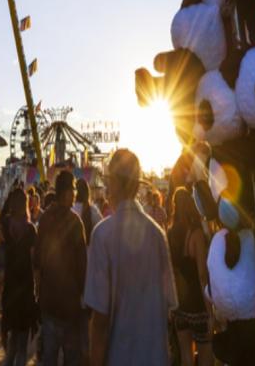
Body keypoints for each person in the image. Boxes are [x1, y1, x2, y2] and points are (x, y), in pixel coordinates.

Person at [85, 149, 177, 366]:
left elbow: (100, 320)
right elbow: (168, 307)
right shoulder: (158, 235)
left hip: (120, 357)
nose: (107, 189)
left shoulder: (103, 235)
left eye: (109, 181)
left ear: (116, 183)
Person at [35, 170, 87, 366]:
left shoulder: (45, 219)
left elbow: (37, 262)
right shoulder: (75, 222)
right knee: (72, 359)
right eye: (73, 190)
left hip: (49, 304)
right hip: (69, 307)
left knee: (48, 358)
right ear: (65, 192)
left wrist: (39, 294)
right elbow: (83, 268)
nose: (75, 194)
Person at [168, 187, 211, 366]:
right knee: (205, 356)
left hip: (179, 305)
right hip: (198, 306)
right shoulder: (196, 234)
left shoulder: (170, 233)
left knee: (186, 355)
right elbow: (202, 274)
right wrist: (210, 311)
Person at [1, 188, 38, 366]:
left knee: (12, 343)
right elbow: (34, 261)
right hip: (25, 289)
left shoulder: (6, 226)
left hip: (10, 288)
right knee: (22, 346)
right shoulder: (30, 230)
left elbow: (1, 259)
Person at [73, 178, 102, 246]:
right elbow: (102, 229)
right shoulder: (93, 210)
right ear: (87, 193)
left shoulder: (71, 209)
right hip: (90, 249)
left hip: (73, 250)